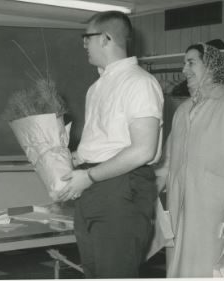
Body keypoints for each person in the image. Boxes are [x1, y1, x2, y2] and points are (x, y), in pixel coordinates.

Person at [57, 11, 164, 278]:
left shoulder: (140, 83)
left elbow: (143, 150)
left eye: (87, 38)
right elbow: (102, 143)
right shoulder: (97, 87)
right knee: (95, 272)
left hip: (120, 188)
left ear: (106, 38)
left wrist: (90, 176)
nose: (84, 44)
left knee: (115, 273)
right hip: (93, 187)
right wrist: (72, 159)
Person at [155, 42, 224, 277]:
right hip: (178, 214)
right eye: (184, 63)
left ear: (213, 66)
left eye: (191, 62)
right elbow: (166, 165)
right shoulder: (182, 111)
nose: (184, 70)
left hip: (212, 217)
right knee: (177, 270)